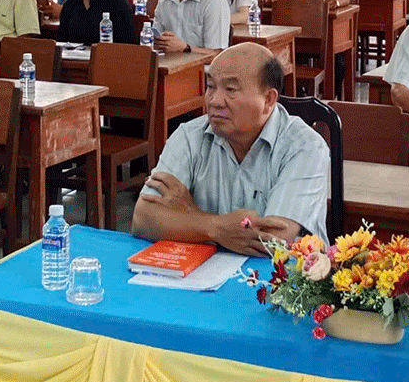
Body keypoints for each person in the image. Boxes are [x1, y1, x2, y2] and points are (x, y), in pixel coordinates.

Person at [132, 44, 330, 251]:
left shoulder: (305, 146)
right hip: (202, 272)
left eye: (230, 89)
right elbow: (144, 217)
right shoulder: (189, 136)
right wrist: (215, 228)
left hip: (278, 277)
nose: (215, 101)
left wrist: (190, 215)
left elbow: (272, 240)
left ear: (268, 99)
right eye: (210, 86)